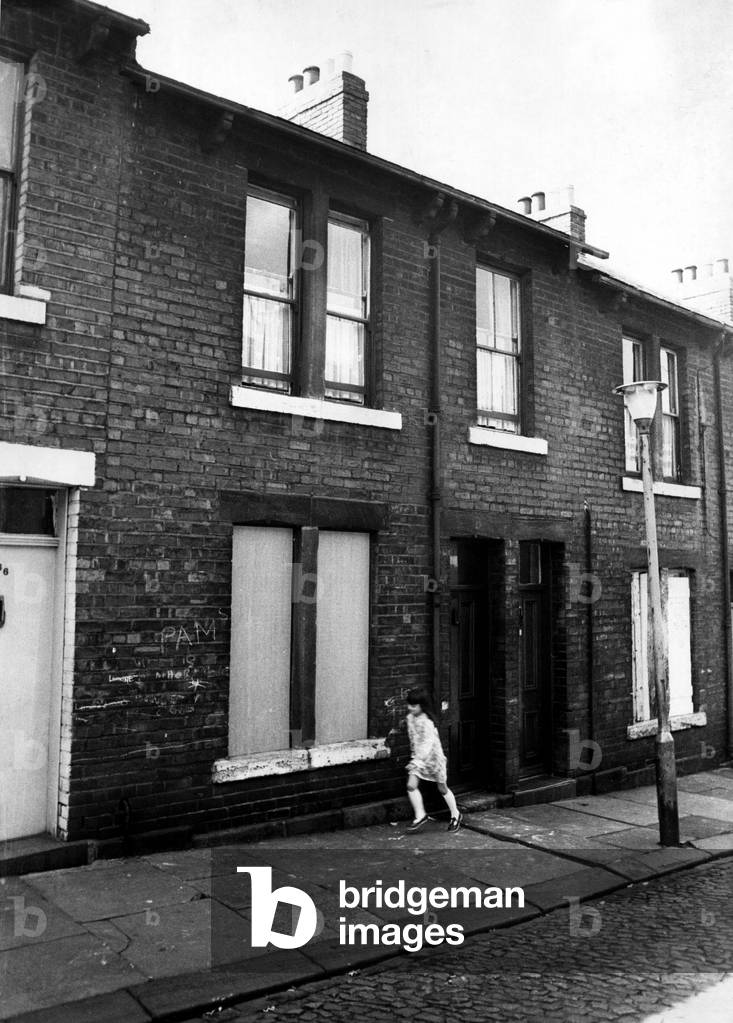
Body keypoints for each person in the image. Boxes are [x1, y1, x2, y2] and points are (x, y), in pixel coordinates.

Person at [404, 689, 463, 833]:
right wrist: (415, 758)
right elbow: (413, 740)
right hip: (418, 759)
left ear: (422, 706)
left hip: (433, 760)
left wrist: (418, 760)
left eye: (414, 705)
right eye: (409, 705)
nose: (410, 708)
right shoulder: (410, 718)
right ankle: (420, 815)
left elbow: (427, 744)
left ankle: (455, 814)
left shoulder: (428, 723)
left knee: (442, 788)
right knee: (411, 785)